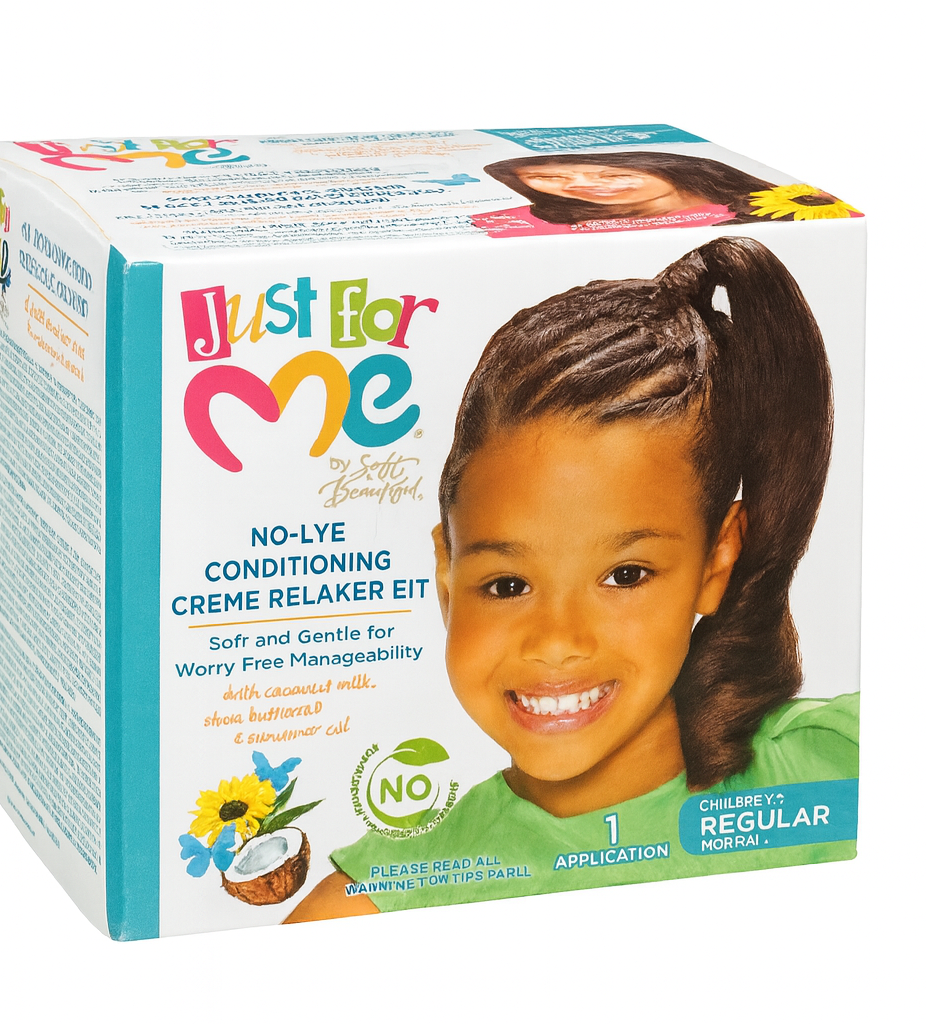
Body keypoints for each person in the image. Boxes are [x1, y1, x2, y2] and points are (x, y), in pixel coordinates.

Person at [286, 236, 858, 922]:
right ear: (447, 574)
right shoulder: (377, 905)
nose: (557, 641)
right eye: (507, 585)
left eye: (625, 575)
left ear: (718, 561)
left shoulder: (841, 766)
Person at [471, 152, 790, 236]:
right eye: (547, 178)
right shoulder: (518, 224)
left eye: (613, 174)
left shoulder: (787, 205)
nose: (583, 185)